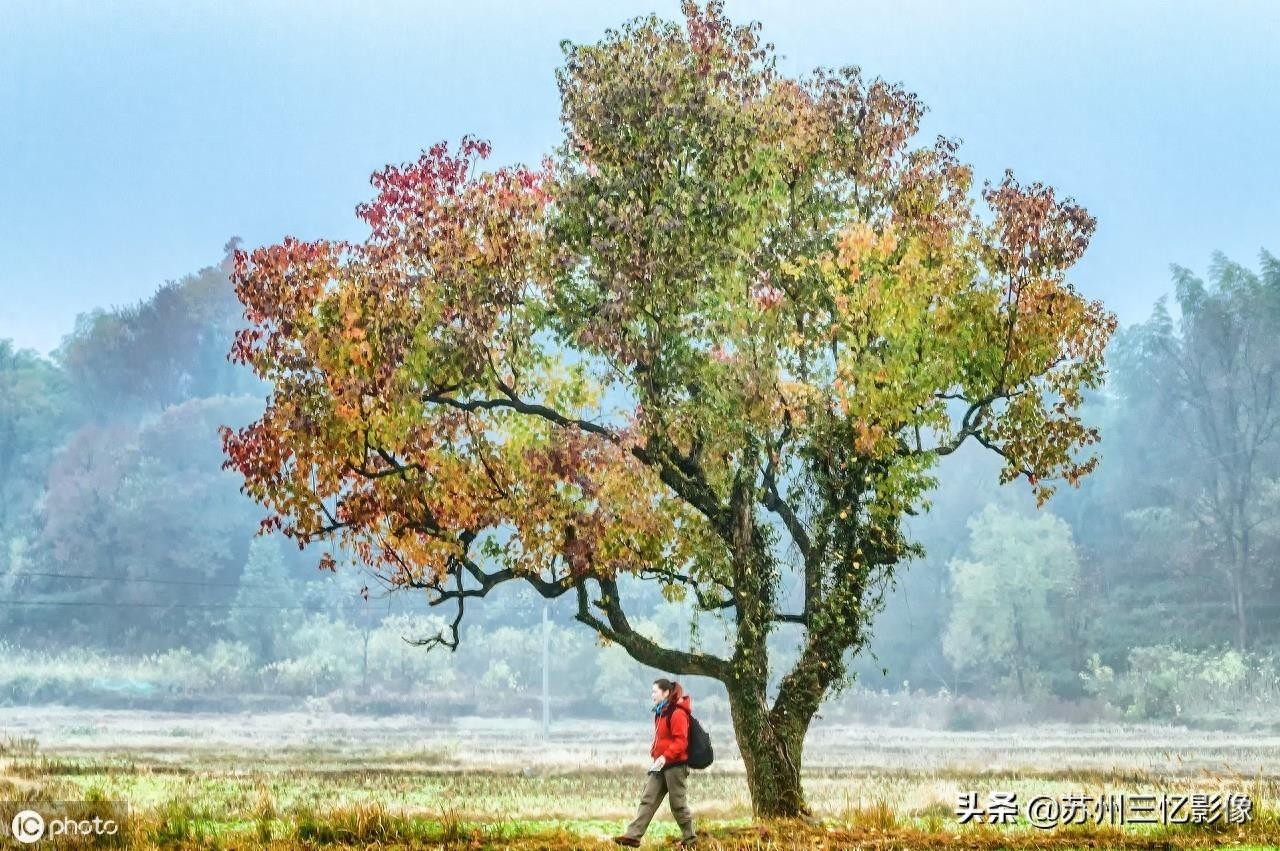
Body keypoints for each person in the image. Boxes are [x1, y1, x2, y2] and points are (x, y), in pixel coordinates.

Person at [613, 678, 697, 848]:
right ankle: (633, 836)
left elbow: (681, 742)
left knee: (678, 805)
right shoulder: (660, 712)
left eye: (655, 691)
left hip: (675, 766)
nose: (652, 695)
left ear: (665, 693)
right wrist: (656, 755)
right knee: (648, 799)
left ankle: (691, 840)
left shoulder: (677, 713)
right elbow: (661, 738)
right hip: (660, 765)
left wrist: (665, 756)